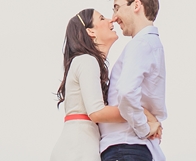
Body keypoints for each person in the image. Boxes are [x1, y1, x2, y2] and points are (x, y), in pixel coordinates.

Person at [50, 9, 158, 161]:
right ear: (91, 31)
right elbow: (97, 112)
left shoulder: (87, 63)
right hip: (78, 148)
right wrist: (145, 116)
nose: (111, 20)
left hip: (80, 145)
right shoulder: (87, 60)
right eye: (101, 18)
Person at [99, 0, 166, 161]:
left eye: (117, 8)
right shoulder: (149, 44)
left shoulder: (141, 44)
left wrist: (143, 128)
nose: (113, 17)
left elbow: (127, 92)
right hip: (131, 149)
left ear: (136, 5)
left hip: (125, 147)